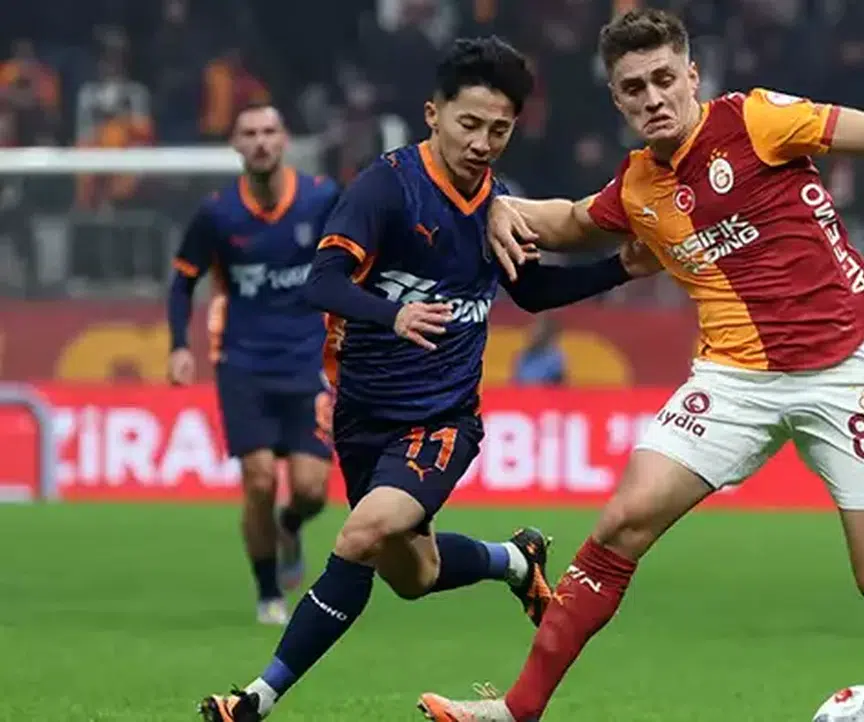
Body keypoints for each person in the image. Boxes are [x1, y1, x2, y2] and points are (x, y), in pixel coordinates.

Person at [417, 10, 864, 722]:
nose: (652, 97)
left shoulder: (758, 120)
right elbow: (569, 220)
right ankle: (518, 709)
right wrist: (495, 204)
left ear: (693, 76)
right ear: (617, 100)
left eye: (663, 79)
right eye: (633, 88)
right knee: (623, 521)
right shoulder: (638, 186)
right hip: (732, 380)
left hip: (842, 370)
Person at [197, 36, 660, 722]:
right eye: (469, 124)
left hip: (441, 421)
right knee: (414, 576)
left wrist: (620, 267)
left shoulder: (498, 204)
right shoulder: (386, 189)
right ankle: (516, 560)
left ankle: (255, 699)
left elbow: (530, 291)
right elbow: (322, 283)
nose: (482, 143)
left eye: (499, 130)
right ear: (433, 114)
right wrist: (394, 312)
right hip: (362, 417)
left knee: (358, 536)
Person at [168, 103, 338, 625]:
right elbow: (183, 281)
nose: (261, 141)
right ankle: (268, 594)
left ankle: (291, 526)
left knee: (311, 491)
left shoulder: (321, 198)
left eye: (269, 131)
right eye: (250, 133)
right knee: (259, 479)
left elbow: (354, 262)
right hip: (243, 363)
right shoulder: (217, 214)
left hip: (309, 362)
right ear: (236, 145)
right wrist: (179, 345)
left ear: (284, 140)